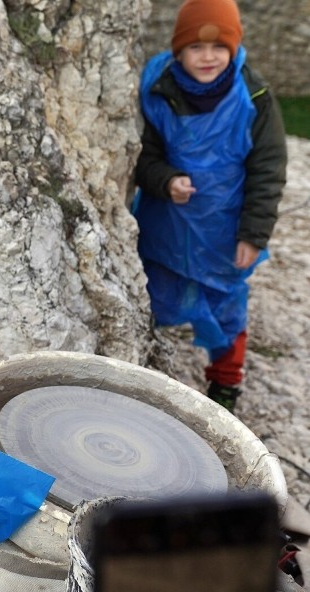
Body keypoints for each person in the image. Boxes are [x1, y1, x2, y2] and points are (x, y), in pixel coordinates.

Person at [133, 0, 287, 413]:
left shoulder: (254, 96)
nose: (207, 57)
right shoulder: (158, 88)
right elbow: (140, 155)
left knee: (227, 307)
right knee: (152, 294)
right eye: (196, 48)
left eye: (219, 48)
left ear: (234, 50)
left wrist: (253, 234)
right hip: (165, 222)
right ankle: (140, 365)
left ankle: (225, 383)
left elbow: (268, 169)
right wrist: (164, 179)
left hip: (224, 224)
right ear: (179, 50)